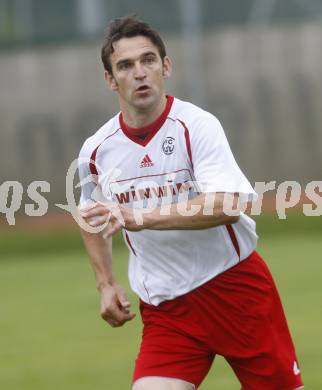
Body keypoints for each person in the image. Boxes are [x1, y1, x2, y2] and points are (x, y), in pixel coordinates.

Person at [77, 16, 304, 390]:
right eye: (125, 65)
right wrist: (105, 283)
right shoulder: (96, 150)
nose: (139, 73)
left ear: (166, 66)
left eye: (148, 60)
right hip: (167, 309)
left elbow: (228, 205)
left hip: (235, 292)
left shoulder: (196, 126)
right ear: (109, 79)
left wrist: (140, 216)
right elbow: (91, 216)